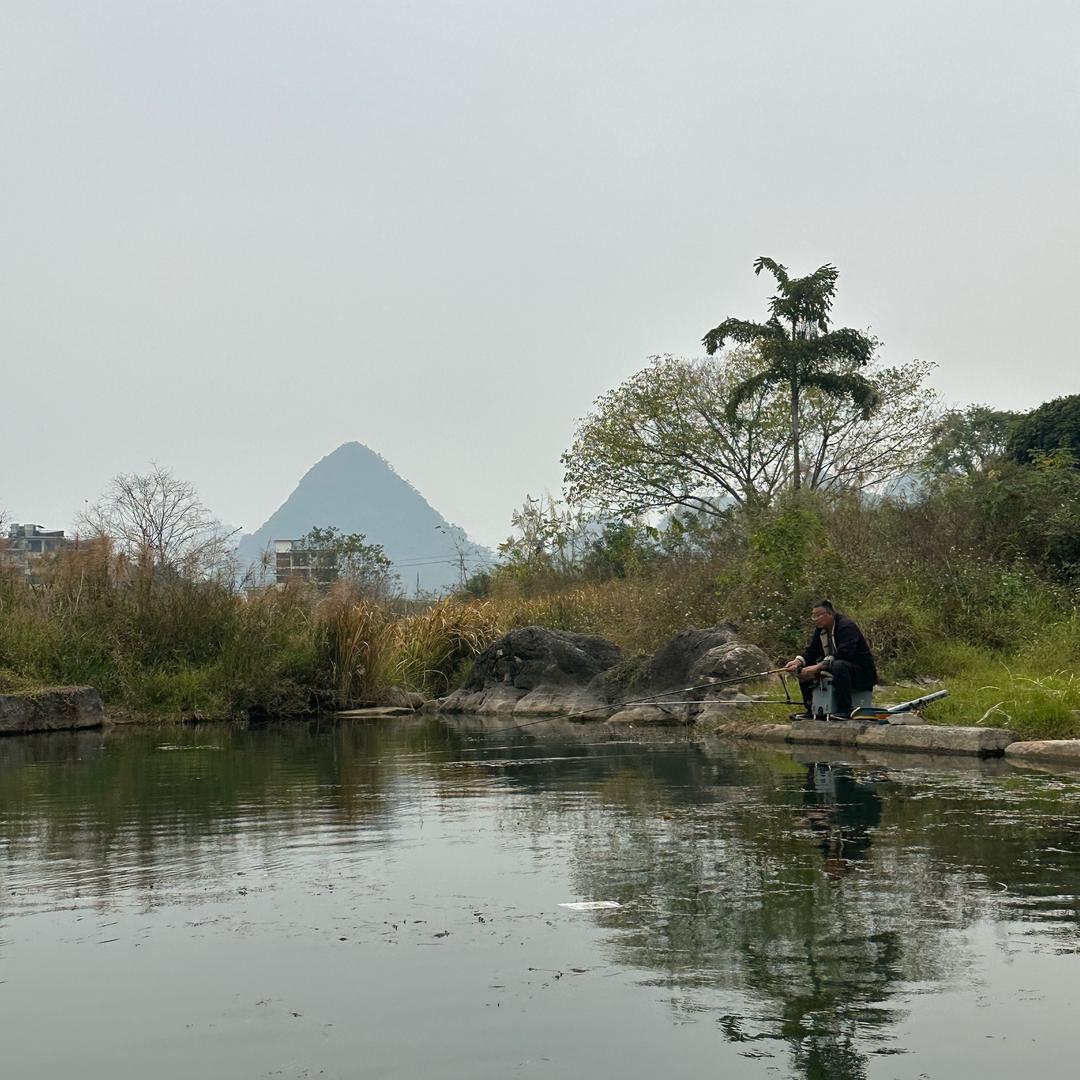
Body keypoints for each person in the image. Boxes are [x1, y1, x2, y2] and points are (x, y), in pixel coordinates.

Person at [784, 599, 877, 719]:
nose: (815, 619)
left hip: (860, 673)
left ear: (830, 614)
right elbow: (812, 651)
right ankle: (811, 709)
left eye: (818, 616)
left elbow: (845, 653)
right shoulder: (821, 629)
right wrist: (798, 662)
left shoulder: (846, 626)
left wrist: (818, 667)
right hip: (836, 666)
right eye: (814, 616)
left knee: (839, 665)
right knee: (803, 670)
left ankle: (844, 709)